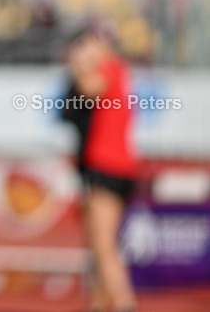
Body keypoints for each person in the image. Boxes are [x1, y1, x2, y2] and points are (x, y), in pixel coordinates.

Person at [63, 24, 138, 312]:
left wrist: (79, 65)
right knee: (99, 242)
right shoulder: (120, 70)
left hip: (107, 166)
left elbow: (88, 89)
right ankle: (98, 302)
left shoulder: (108, 69)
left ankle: (123, 302)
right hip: (120, 166)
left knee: (104, 246)